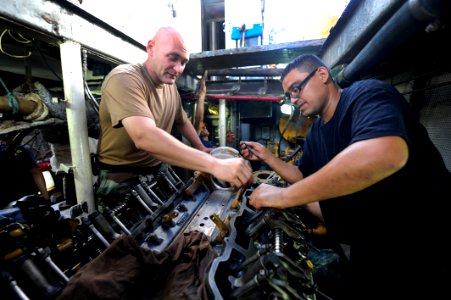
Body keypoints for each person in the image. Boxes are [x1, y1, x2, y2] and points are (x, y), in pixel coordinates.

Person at [240, 54, 450, 299]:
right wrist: (267, 157)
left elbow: (385, 152)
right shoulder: (316, 132)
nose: (294, 99)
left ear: (322, 75)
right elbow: (302, 176)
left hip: (426, 239)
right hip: (375, 244)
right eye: (289, 95)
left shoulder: (366, 95)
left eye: (297, 89)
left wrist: (284, 197)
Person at [96, 27, 252, 199]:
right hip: (122, 178)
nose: (178, 69)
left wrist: (201, 148)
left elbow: (182, 121)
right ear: (150, 48)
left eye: (184, 62)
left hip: (158, 170)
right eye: (173, 57)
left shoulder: (170, 88)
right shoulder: (124, 78)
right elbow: (143, 136)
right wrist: (214, 165)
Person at [0, 133, 49, 208]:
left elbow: (36, 172)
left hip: (22, 199)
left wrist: (46, 199)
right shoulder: (21, 150)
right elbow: (36, 172)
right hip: (26, 199)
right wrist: (46, 199)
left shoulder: (21, 150)